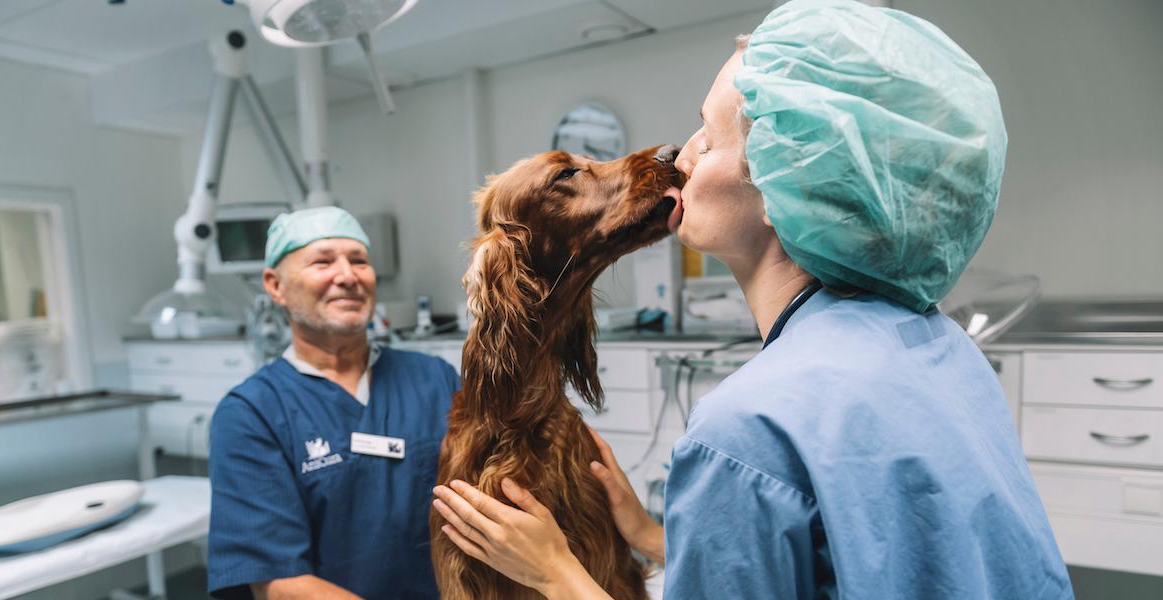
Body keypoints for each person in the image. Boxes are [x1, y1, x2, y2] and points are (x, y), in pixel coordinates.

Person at [430, 0, 1074, 598]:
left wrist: (556, 574)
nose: (680, 155)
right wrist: (653, 538)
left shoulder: (745, 432)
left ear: (785, 179)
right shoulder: (940, 348)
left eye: (708, 138)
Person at [207, 206, 459, 599]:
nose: (348, 276)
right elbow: (277, 581)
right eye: (323, 261)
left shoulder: (434, 379)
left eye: (359, 260)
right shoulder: (252, 414)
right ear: (275, 286)